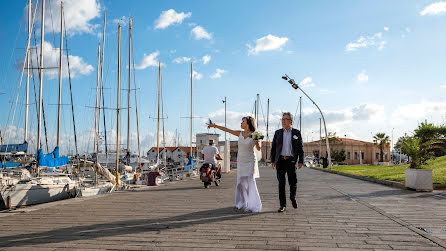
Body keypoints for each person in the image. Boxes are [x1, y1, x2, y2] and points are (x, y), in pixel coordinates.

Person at [208, 116, 262, 213]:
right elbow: (227, 130)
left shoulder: (256, 134)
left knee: (250, 182)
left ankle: (254, 204)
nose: (241, 123)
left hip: (250, 161)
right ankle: (243, 202)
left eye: (243, 121)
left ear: (248, 123)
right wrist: (215, 126)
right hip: (241, 161)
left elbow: (259, 149)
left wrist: (257, 143)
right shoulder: (239, 133)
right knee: (241, 183)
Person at [270, 112, 304, 213]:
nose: (283, 121)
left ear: (291, 121)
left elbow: (300, 148)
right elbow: (274, 148)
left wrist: (301, 161)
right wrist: (272, 160)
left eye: (286, 119)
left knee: (293, 182)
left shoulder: (297, 133)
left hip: (291, 161)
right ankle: (282, 205)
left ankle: (292, 197)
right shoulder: (278, 133)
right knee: (281, 183)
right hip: (280, 160)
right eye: (282, 119)